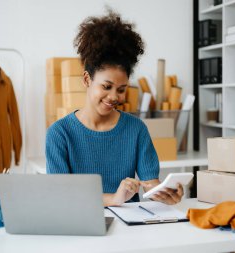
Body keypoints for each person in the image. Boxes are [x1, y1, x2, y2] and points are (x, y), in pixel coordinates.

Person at [46, 10, 183, 207]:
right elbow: (61, 195)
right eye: (106, 86)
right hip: (81, 224)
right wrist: (113, 199)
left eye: (121, 89)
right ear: (87, 79)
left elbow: (149, 183)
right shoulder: (59, 133)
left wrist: (166, 193)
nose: (114, 97)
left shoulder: (136, 129)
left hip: (130, 226)